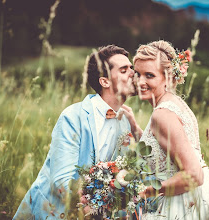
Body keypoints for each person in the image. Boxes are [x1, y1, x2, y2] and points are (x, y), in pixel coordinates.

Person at [13, 45, 142, 219]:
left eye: (131, 68)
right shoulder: (73, 117)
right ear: (104, 81)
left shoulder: (125, 121)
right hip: (54, 211)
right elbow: (61, 182)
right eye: (124, 70)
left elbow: (125, 172)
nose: (133, 73)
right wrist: (95, 208)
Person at [133, 40, 209, 219]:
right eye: (137, 74)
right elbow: (165, 149)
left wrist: (145, 192)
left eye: (149, 75)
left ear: (167, 77)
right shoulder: (175, 103)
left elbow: (194, 175)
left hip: (184, 204)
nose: (140, 81)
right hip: (203, 197)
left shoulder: (162, 114)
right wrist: (133, 126)